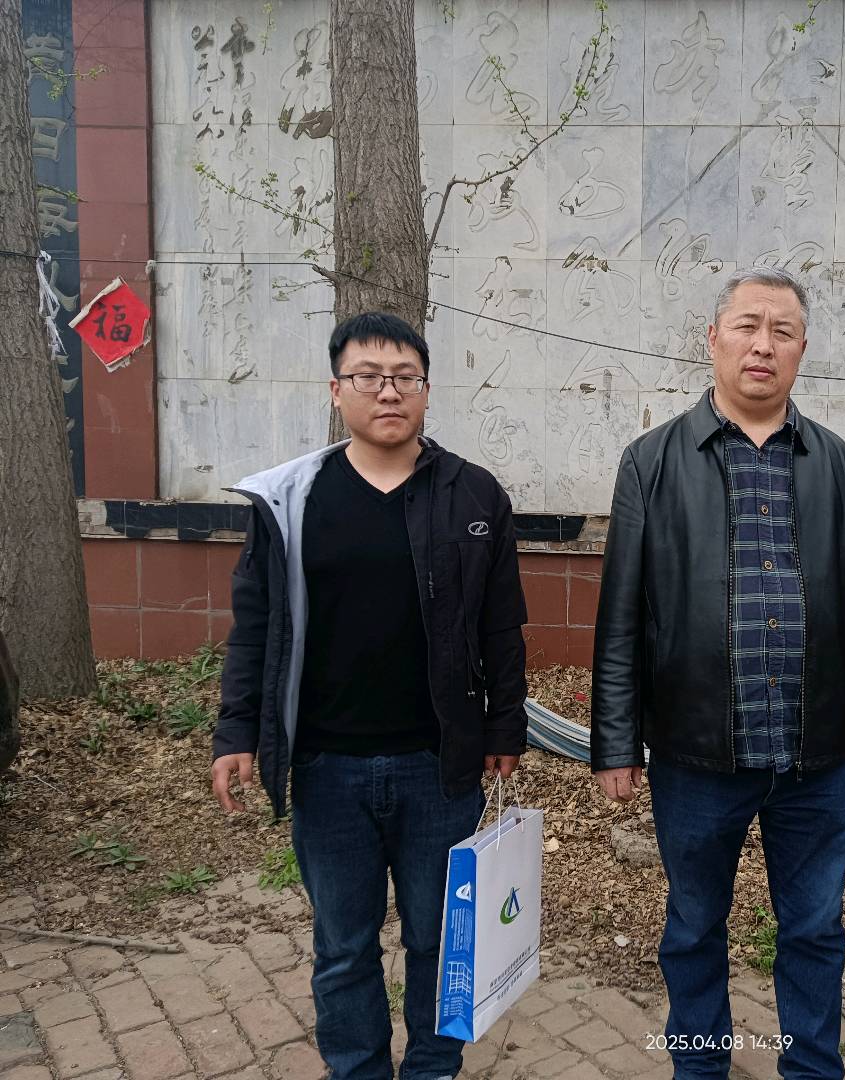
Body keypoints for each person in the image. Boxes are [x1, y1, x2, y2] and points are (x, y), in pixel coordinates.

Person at [590, 266, 845, 1079]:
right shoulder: (651, 461)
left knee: (815, 929)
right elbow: (620, 615)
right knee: (694, 928)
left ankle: (812, 1068)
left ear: (802, 349)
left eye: (783, 331)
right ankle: (700, 1066)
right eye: (747, 327)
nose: (764, 345)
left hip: (816, 757)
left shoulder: (837, 463)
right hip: (696, 757)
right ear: (714, 339)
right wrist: (615, 744)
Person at [210, 311, 529, 1080]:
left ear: (426, 389)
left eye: (405, 378)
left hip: (438, 766)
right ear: (337, 390)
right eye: (368, 377)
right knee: (344, 947)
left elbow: (502, 625)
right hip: (327, 768)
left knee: (438, 941)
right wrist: (236, 732)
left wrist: (505, 729)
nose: (388, 392)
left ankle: (431, 1068)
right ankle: (356, 1069)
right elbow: (256, 625)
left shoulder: (473, 494)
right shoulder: (291, 499)